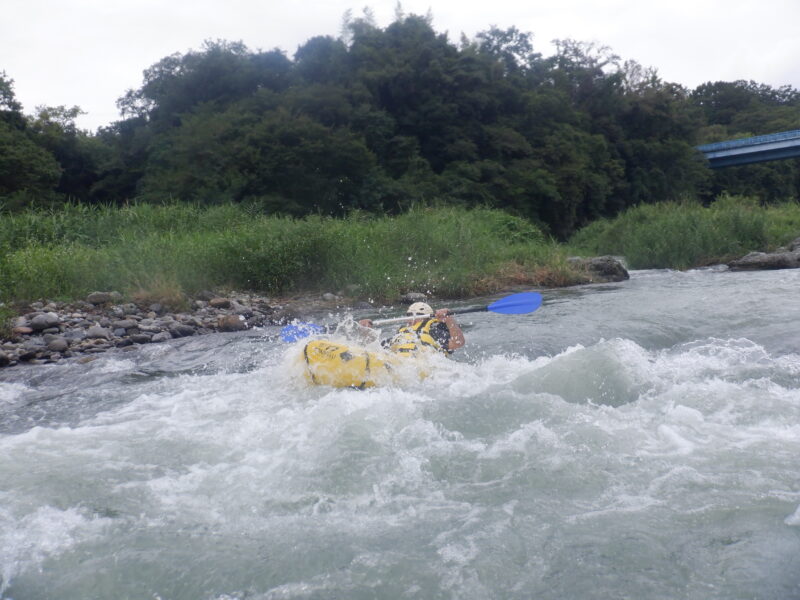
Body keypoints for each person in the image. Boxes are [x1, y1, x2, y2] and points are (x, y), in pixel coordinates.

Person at [358, 302, 465, 356]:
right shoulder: (401, 335)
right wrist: (366, 331)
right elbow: (374, 348)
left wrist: (449, 320)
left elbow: (458, 342)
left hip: (423, 367)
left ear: (427, 317)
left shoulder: (434, 331)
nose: (410, 319)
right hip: (400, 365)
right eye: (409, 315)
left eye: (415, 315)